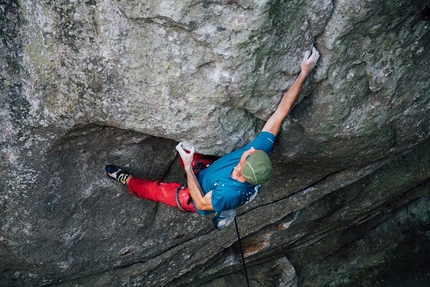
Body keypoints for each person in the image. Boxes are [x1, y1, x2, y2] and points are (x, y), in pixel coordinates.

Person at [106, 47, 320, 228]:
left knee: (157, 191)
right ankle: (225, 210)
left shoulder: (229, 192)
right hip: (211, 173)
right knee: (186, 147)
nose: (252, 150)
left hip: (201, 196)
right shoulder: (258, 156)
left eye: (249, 156)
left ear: (243, 168)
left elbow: (200, 201)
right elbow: (281, 112)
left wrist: (189, 167)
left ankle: (128, 180)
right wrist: (304, 72)